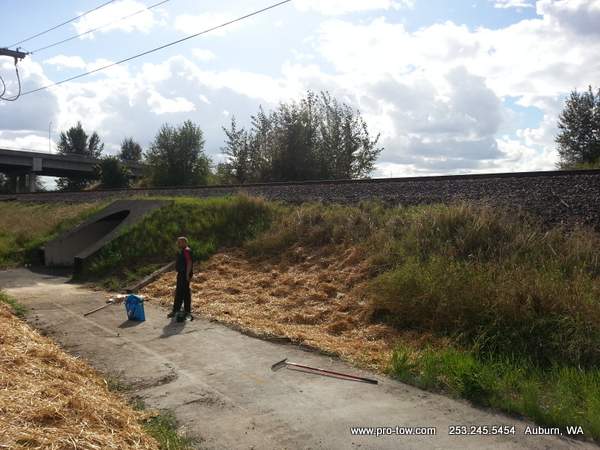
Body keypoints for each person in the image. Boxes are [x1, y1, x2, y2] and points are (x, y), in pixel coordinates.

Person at [168, 236, 194, 320]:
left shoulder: (186, 250)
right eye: (178, 242)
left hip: (184, 274)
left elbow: (189, 262)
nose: (178, 244)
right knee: (182, 292)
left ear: (184, 242)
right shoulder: (183, 250)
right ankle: (181, 310)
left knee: (182, 292)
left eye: (179, 242)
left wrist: (187, 274)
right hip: (182, 274)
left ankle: (182, 311)